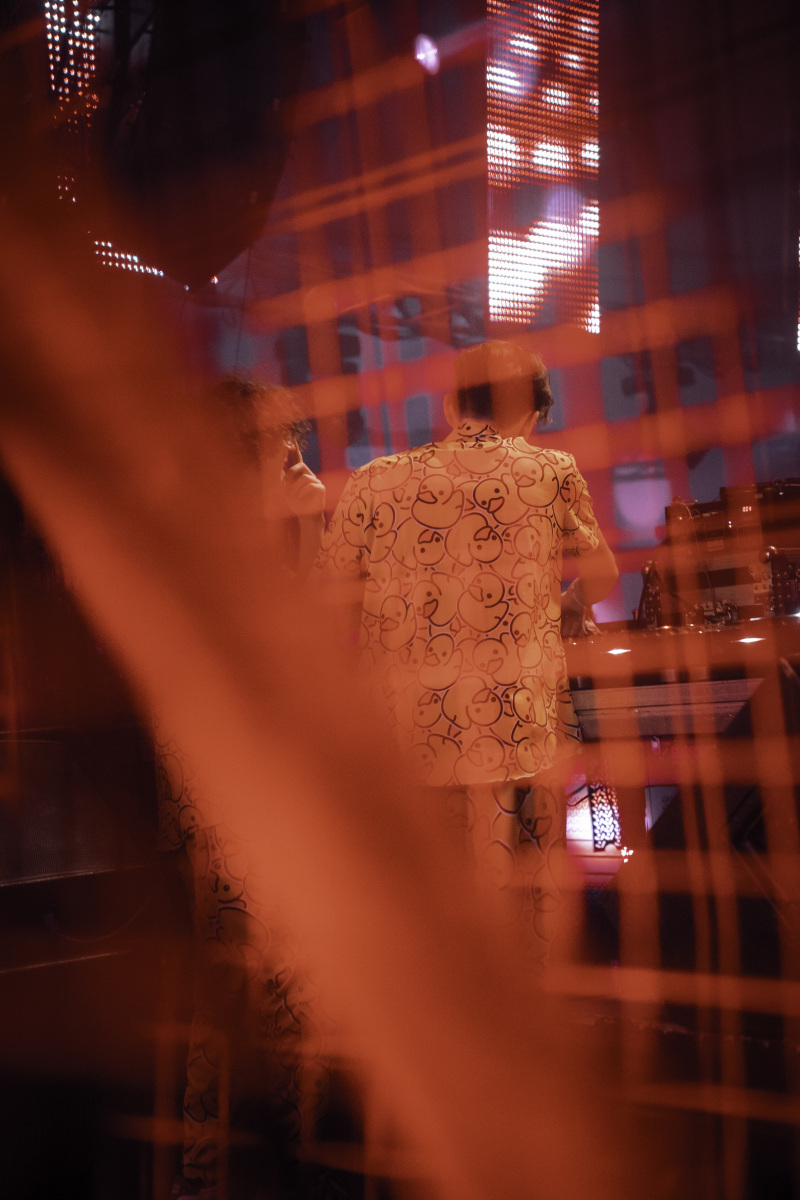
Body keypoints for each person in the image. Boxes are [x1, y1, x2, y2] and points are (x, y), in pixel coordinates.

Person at [316, 340, 618, 964]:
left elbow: (328, 601)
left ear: (452, 405)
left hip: (405, 730)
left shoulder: (374, 479)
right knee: (517, 901)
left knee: (419, 902)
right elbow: (603, 574)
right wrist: (567, 603)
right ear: (533, 412)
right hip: (517, 730)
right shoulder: (549, 471)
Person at [155, 376, 328, 1200]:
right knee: (249, 973)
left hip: (250, 775)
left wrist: (306, 524)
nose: (294, 462)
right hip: (226, 776)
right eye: (280, 449)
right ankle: (213, 1173)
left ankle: (262, 1167)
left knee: (282, 974)